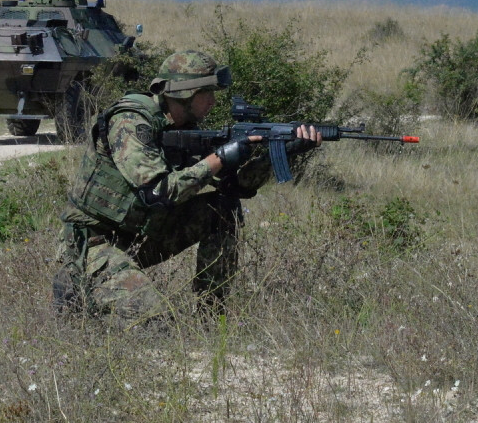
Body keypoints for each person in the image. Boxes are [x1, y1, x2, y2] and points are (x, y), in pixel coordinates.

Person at [52, 50, 322, 319]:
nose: (214, 102)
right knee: (154, 321)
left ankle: (212, 316)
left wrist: (282, 154)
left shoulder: (185, 127)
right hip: (93, 242)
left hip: (143, 237)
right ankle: (80, 287)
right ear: (186, 93)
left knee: (222, 209)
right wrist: (219, 158)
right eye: (208, 93)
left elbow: (236, 187)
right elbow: (157, 191)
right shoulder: (131, 121)